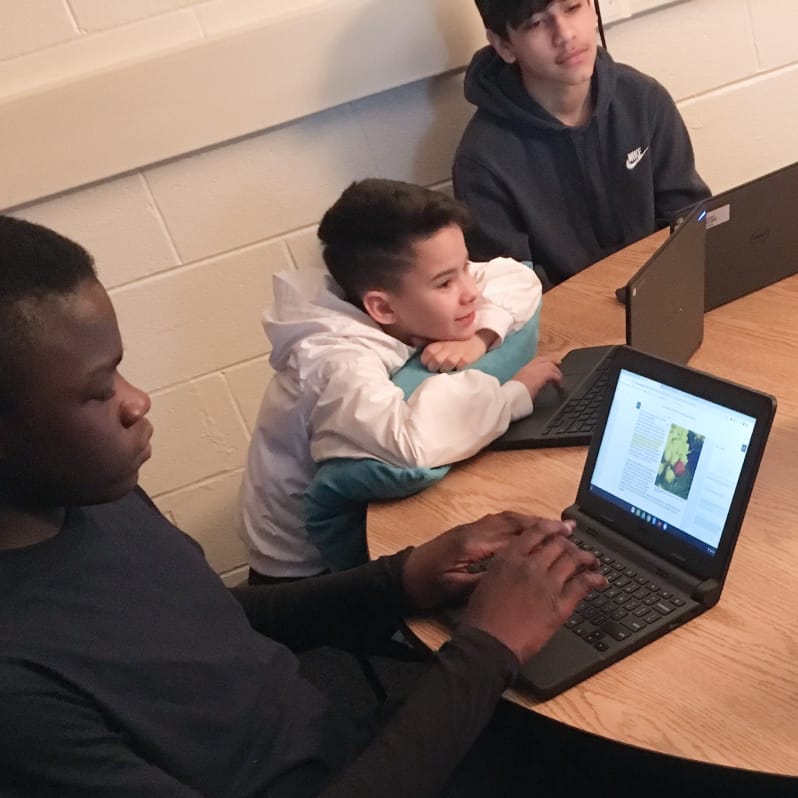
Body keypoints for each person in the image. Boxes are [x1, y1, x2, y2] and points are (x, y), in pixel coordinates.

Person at [0, 214, 607, 796]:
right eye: (97, 391)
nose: (137, 402)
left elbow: (215, 619)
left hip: (349, 745)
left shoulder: (87, 496)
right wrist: (487, 649)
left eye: (121, 370)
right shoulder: (20, 702)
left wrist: (404, 577)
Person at [240, 178, 562, 580]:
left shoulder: (402, 289)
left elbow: (516, 278)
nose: (470, 292)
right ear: (381, 307)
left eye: (465, 266)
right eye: (446, 282)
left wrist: (480, 339)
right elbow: (410, 446)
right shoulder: (336, 363)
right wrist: (512, 394)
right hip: (307, 576)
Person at [453, 0, 711, 288]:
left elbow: (690, 220)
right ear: (504, 45)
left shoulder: (643, 99)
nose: (564, 34)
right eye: (537, 22)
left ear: (594, 8)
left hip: (666, 298)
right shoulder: (482, 161)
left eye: (573, 7)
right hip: (564, 326)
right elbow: (514, 295)